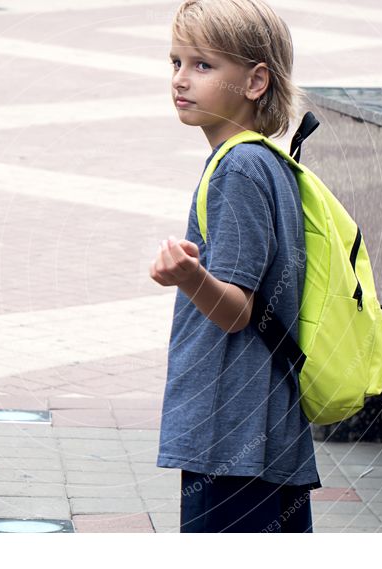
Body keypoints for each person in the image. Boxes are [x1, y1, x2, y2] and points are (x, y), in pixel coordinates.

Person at [149, 0, 320, 533]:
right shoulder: (263, 161)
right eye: (175, 62)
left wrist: (189, 277)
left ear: (255, 82)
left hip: (232, 432)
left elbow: (237, 311)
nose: (181, 79)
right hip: (263, 430)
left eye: (203, 65)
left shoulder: (239, 169)